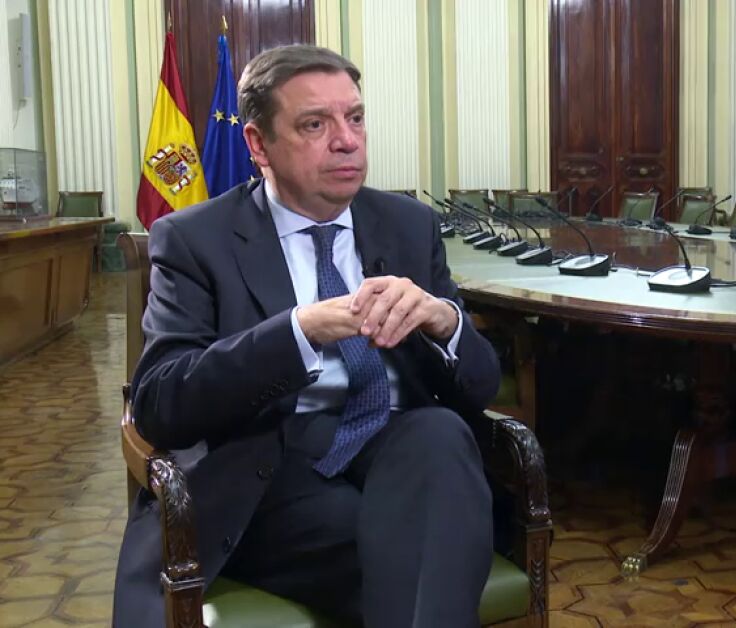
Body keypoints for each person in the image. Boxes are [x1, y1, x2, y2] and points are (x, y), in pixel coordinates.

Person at [113, 44, 500, 627]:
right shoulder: (195, 240)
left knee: (441, 433)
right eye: (315, 124)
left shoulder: (408, 224)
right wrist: (299, 332)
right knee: (427, 544)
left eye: (355, 118)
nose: (346, 141)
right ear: (258, 144)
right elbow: (161, 403)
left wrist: (444, 321)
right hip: (267, 468)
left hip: (396, 447)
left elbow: (481, 385)